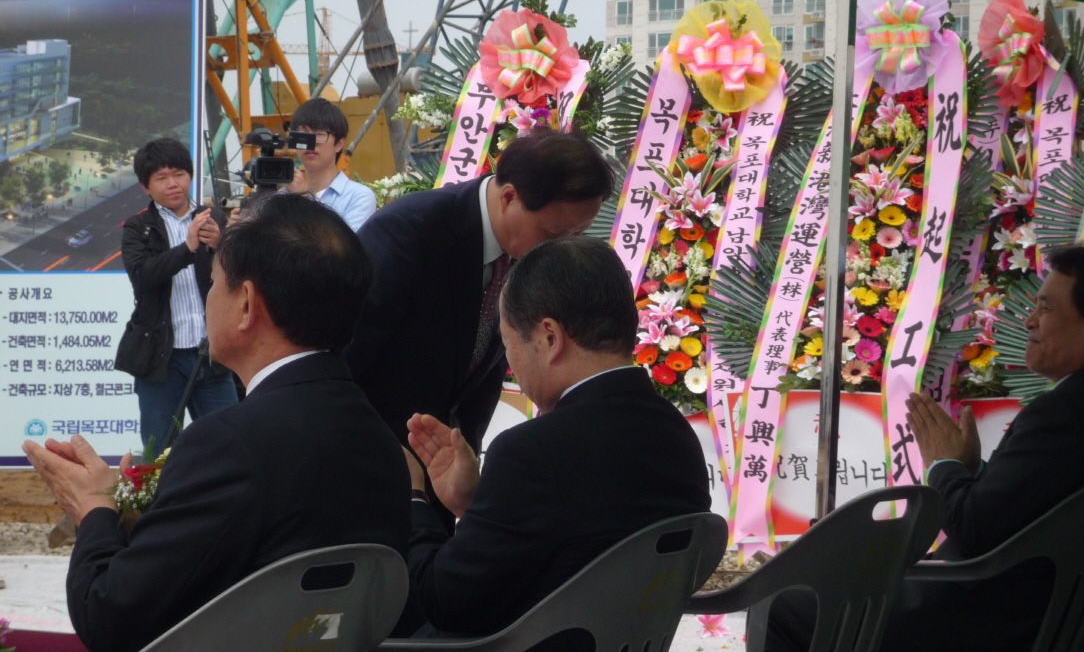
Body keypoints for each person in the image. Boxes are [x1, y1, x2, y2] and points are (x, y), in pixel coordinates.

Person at [23, 194, 411, 652]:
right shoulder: (380, 438)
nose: (208, 300)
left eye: (213, 283)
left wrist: (94, 510)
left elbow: (110, 618)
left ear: (246, 304)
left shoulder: (228, 445)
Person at [763, 244, 1084, 652]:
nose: (1029, 321)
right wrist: (970, 471)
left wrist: (945, 464)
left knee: (785, 606)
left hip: (983, 614)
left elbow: (974, 529)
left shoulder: (1064, 412)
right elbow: (1022, 509)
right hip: (1038, 608)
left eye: (1046, 309)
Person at [401, 236, 711, 644]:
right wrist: (475, 507)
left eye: (510, 343)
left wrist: (414, 500)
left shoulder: (532, 453)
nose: (510, 362)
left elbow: (444, 602)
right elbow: (570, 544)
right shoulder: (676, 433)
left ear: (549, 337)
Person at [345, 129, 614, 524]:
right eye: (555, 234)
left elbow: (480, 373)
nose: (564, 248)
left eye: (578, 234)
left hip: (444, 473)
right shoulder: (409, 233)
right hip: (371, 464)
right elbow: (343, 357)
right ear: (509, 197)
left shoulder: (525, 254)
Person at [115, 138, 237, 452]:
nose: (173, 184)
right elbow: (142, 276)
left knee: (231, 442)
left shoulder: (214, 219)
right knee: (159, 450)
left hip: (212, 354)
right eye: (162, 178)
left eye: (179, 174)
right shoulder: (137, 228)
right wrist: (188, 248)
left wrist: (221, 245)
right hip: (160, 359)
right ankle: (161, 503)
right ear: (145, 186)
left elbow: (237, 279)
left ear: (191, 175)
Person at [286, 97, 376, 231]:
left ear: (339, 144)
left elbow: (340, 248)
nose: (311, 142)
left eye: (320, 134)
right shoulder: (283, 195)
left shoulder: (358, 196)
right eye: (304, 134)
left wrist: (303, 198)